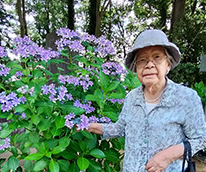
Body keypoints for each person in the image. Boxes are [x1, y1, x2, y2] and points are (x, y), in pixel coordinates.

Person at [88, 29, 206, 172]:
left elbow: (200, 139)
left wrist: (168, 156)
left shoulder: (187, 98)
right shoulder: (131, 97)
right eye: (142, 60)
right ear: (136, 68)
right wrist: (88, 126)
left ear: (168, 65)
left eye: (157, 57)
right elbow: (120, 128)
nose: (149, 65)